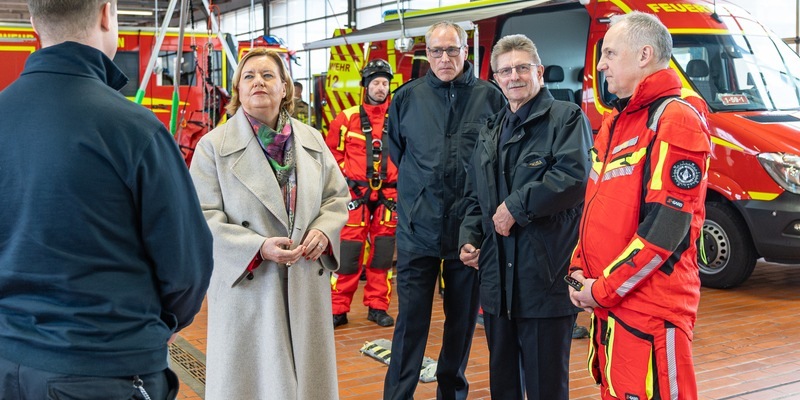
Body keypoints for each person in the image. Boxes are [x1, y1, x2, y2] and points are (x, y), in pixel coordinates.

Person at [0, 1, 213, 399]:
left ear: (32, 23)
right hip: (104, 370)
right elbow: (187, 268)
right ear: (106, 13)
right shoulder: (135, 130)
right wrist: (157, 326)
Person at [189, 48, 349, 400]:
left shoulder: (312, 141)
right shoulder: (213, 147)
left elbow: (337, 197)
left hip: (305, 278)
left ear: (284, 88)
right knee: (253, 382)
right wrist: (257, 247)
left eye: (268, 75)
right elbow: (201, 217)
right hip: (249, 281)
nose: (258, 81)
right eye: (249, 76)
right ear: (238, 90)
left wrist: (324, 229)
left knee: (308, 383)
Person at [568, 11, 710, 400]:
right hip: (611, 304)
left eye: (610, 53)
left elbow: (666, 230)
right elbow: (595, 208)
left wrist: (602, 289)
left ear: (644, 54)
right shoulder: (616, 119)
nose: (600, 65)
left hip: (648, 310)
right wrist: (578, 272)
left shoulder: (676, 119)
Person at [458, 34, 592, 399]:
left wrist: (516, 207)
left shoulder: (566, 118)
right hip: (497, 281)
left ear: (540, 72)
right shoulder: (490, 129)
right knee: (503, 383)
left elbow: (572, 178)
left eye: (522, 68)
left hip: (543, 278)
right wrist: (469, 237)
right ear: (496, 78)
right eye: (505, 70)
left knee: (545, 384)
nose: (514, 76)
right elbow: (475, 195)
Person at [383, 21, 506, 400]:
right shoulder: (406, 98)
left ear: (466, 51)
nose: (444, 58)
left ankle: (451, 393)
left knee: (461, 324)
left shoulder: (491, 98)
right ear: (426, 53)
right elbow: (398, 152)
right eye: (436, 51)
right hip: (418, 229)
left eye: (452, 50)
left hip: (468, 234)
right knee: (410, 322)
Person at [326, 59, 398, 328]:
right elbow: (331, 156)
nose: (380, 88)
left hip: (389, 199)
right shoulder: (347, 118)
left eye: (384, 83)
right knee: (349, 254)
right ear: (365, 86)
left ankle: (378, 306)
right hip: (355, 197)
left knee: (382, 254)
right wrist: (348, 181)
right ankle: (338, 308)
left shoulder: (399, 117)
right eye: (375, 83)